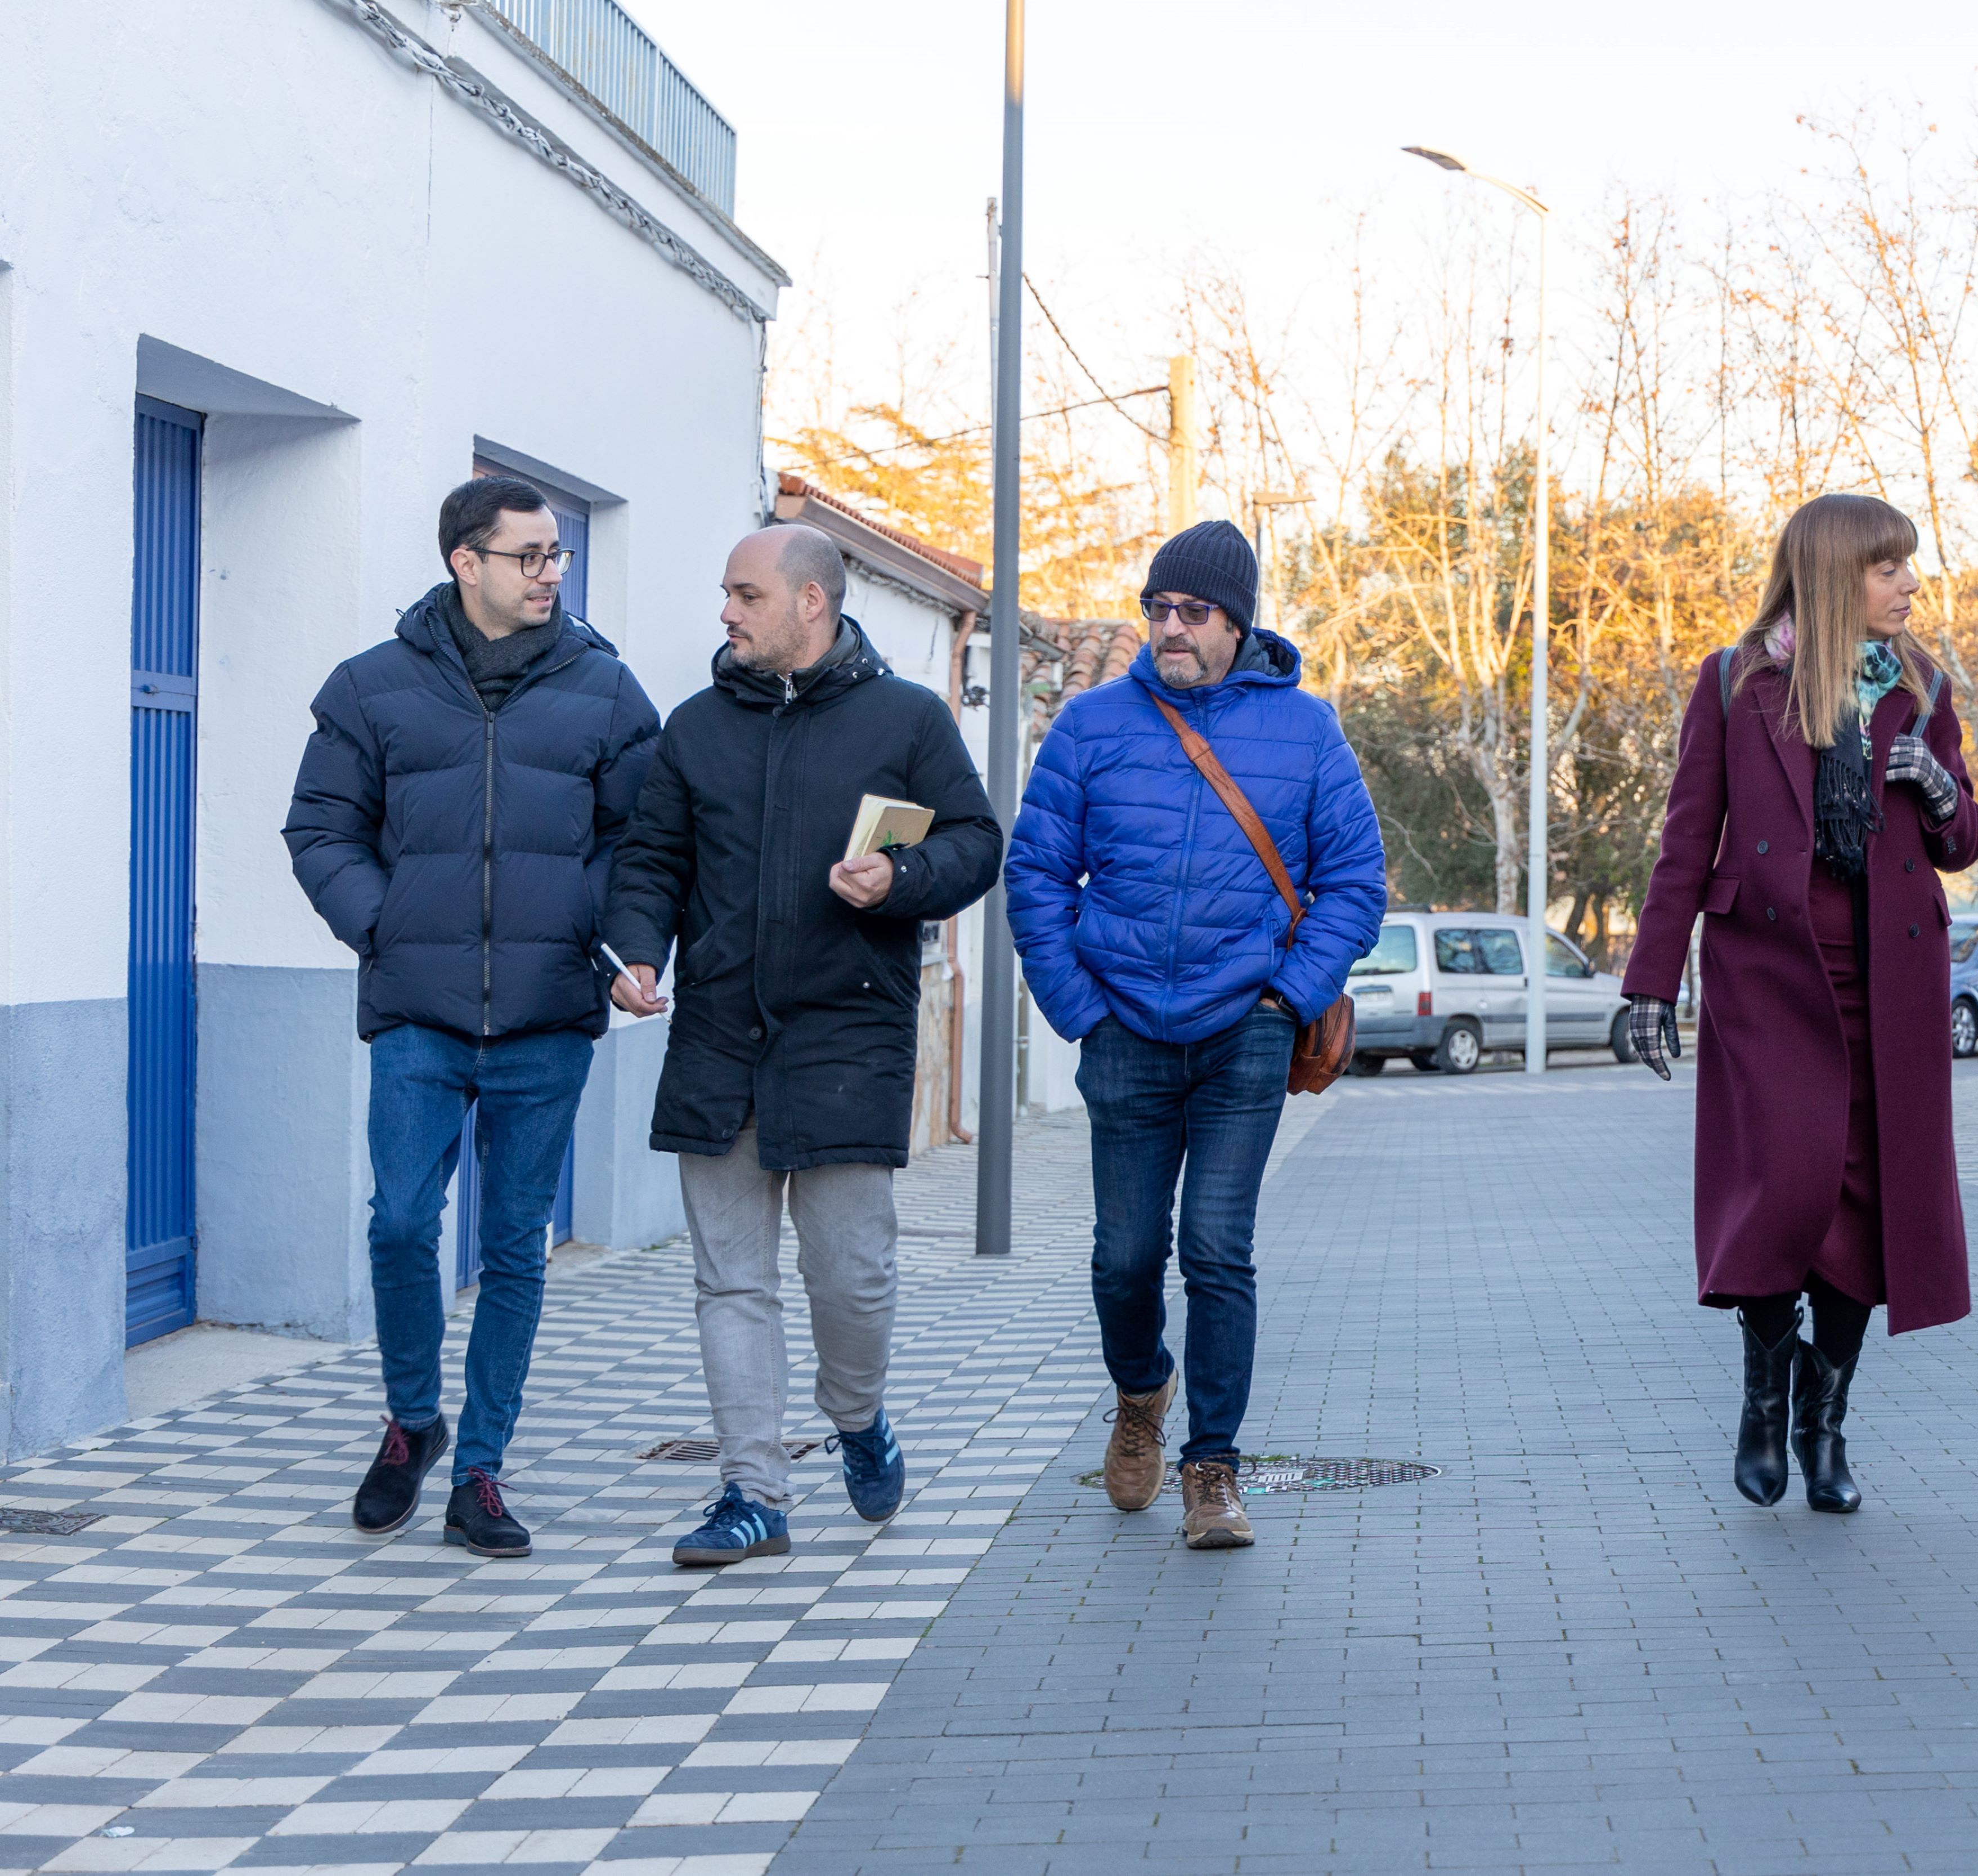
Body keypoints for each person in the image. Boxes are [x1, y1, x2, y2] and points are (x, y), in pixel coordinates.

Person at [602, 523, 1001, 1565]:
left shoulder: (907, 719)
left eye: (744, 593)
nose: (726, 611)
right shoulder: (695, 729)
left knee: (851, 1275)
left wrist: (901, 881)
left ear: (810, 603)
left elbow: (973, 841)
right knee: (731, 1279)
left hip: (846, 1036)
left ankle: (859, 1417)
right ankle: (753, 1493)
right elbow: (650, 858)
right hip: (717, 1038)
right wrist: (638, 950)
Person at [285, 476, 660, 1557]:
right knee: (402, 1223)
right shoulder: (372, 687)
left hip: (548, 1011)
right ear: (467, 563)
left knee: (513, 1247)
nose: (553, 571)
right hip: (418, 1008)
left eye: (558, 556)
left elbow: (641, 839)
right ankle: (414, 1421)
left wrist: (625, 947)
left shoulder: (604, 688)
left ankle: (482, 1470)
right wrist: (385, 926)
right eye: (531, 555)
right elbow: (320, 828)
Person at [1003, 520, 1385, 1551]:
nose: (1170, 629)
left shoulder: (1307, 733)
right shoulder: (1090, 726)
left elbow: (1357, 881)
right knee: (1125, 1257)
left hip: (1244, 1035)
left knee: (1219, 1248)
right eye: (1157, 609)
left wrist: (1289, 996)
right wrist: (1079, 1007)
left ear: (1237, 623)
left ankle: (1210, 1465)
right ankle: (1141, 1391)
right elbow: (1035, 873)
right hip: (1122, 1027)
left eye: (1193, 612)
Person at [1622, 493, 1978, 1514]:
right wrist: (1652, 976)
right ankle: (1762, 1386)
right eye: (1889, 570)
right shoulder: (1739, 682)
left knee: (1865, 1211)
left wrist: (1940, 788)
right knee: (1782, 1191)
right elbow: (1688, 838)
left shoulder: (1920, 687)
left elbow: (1963, 841)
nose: (1910, 585)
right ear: (1834, 576)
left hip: (1892, 985)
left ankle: (1826, 1425)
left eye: (1909, 569)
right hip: (1769, 985)